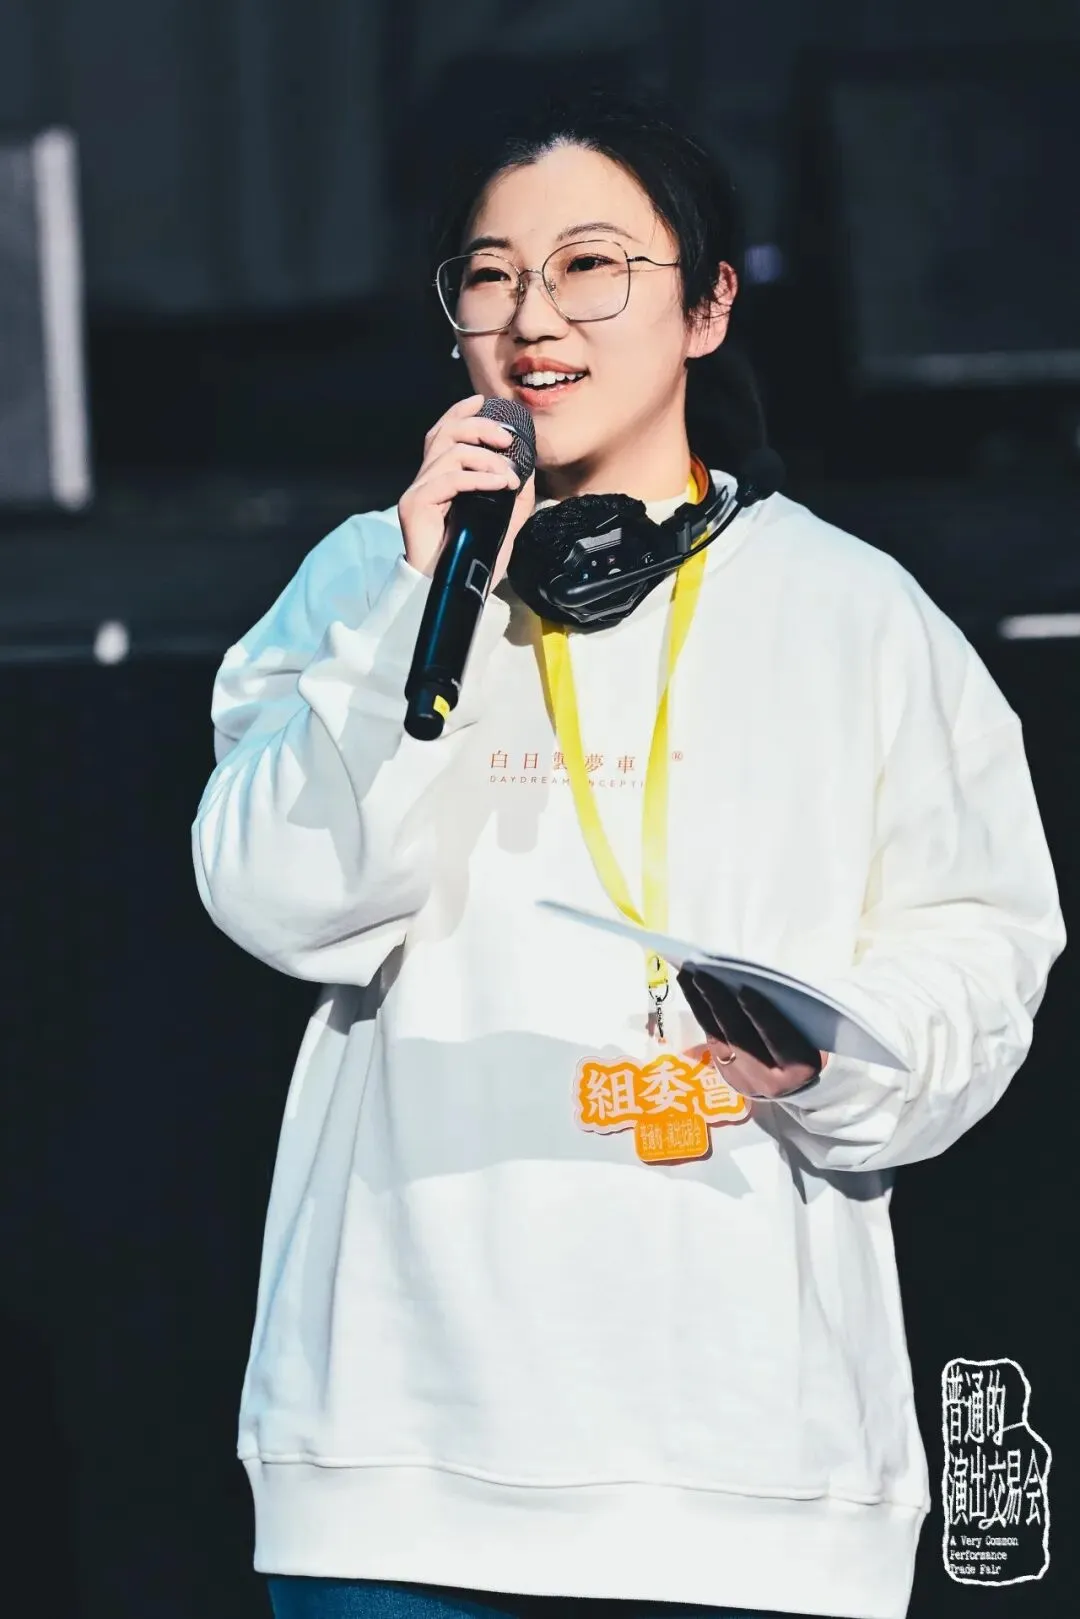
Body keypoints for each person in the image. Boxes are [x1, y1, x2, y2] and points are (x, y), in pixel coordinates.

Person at [191, 92, 1064, 1619]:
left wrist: (834, 1058)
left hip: (750, 1478)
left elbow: (984, 947)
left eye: (592, 265)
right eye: (491, 275)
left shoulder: (855, 612)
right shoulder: (372, 577)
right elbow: (276, 895)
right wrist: (416, 601)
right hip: (400, 1472)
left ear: (708, 305)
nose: (535, 316)